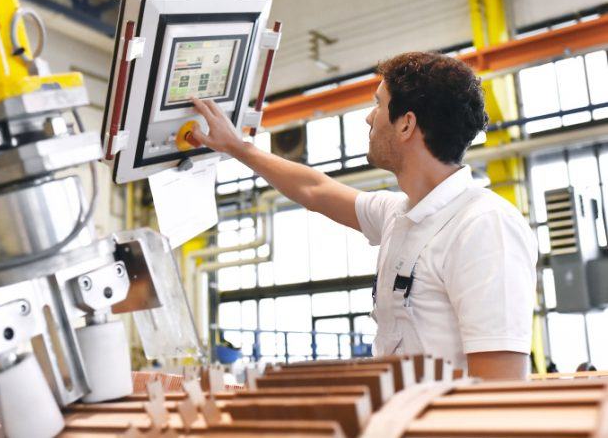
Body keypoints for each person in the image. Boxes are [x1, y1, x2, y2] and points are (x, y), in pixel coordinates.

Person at [189, 51, 537, 380]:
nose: (369, 117)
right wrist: (237, 147)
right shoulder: (400, 215)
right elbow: (315, 190)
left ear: (406, 125)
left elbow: (499, 385)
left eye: (378, 104)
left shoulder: (483, 225)